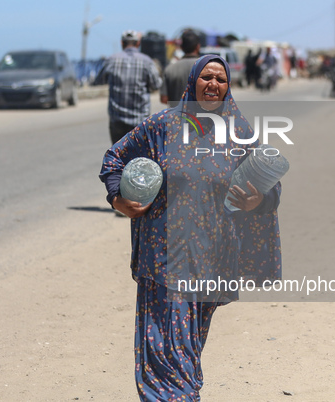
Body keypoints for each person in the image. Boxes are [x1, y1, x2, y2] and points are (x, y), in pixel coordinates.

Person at [100, 55, 282, 401]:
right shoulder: (160, 127)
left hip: (215, 257)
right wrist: (117, 199)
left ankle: (182, 390)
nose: (213, 84)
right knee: (169, 348)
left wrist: (258, 200)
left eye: (221, 80)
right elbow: (115, 159)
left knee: (187, 343)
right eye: (207, 77)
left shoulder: (240, 133)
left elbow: (270, 185)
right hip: (165, 255)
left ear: (229, 88)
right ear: (193, 81)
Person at [95, 30, 162, 145]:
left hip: (117, 120)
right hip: (139, 120)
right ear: (138, 44)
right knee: (138, 157)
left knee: (118, 157)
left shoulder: (111, 60)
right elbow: (156, 85)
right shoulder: (146, 61)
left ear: (122, 43)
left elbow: (99, 80)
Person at [159, 29, 201, 107]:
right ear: (198, 47)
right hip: (200, 117)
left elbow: (164, 99)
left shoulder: (170, 69)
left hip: (177, 116)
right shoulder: (207, 67)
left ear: (181, 47)